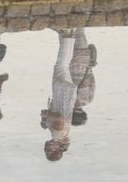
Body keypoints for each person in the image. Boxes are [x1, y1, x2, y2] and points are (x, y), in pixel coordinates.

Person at [40, 28, 97, 161]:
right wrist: (47, 115)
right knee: (61, 66)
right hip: (63, 95)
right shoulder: (58, 135)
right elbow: (59, 120)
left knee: (62, 66)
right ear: (56, 149)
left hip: (67, 95)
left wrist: (47, 120)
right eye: (49, 150)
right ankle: (67, 36)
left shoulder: (63, 135)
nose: (46, 148)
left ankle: (68, 37)